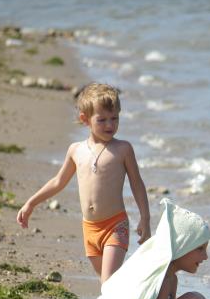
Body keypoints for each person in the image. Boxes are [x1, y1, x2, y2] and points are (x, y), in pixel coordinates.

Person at [16, 82, 151, 284]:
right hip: (89, 228)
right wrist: (31, 203)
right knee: (106, 282)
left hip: (115, 225)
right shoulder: (76, 150)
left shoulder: (123, 149)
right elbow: (58, 181)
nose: (109, 125)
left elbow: (137, 184)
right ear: (85, 119)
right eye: (102, 119)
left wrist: (145, 218)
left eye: (114, 119)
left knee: (108, 281)